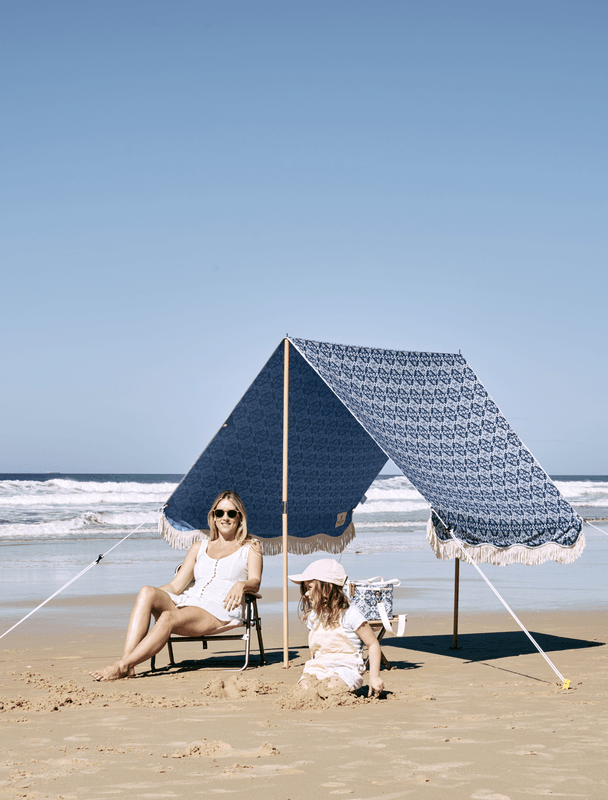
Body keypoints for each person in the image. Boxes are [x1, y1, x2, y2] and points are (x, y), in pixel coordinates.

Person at [90, 491, 262, 681]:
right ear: (213, 517)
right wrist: (146, 600)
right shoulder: (199, 547)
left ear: (240, 517)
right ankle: (127, 663)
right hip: (191, 600)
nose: (225, 518)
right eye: (219, 513)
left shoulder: (251, 547)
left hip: (218, 609)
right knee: (147, 591)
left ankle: (122, 666)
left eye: (231, 513)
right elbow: (175, 586)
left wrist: (242, 584)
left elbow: (255, 582)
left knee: (167, 617)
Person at [288, 559, 384, 697]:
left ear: (327, 589)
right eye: (305, 589)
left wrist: (374, 677)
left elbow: (373, 644)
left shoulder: (350, 614)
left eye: (309, 588)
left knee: (331, 687)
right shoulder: (314, 616)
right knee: (304, 687)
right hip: (319, 665)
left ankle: (345, 688)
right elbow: (314, 649)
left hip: (345, 667)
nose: (306, 594)